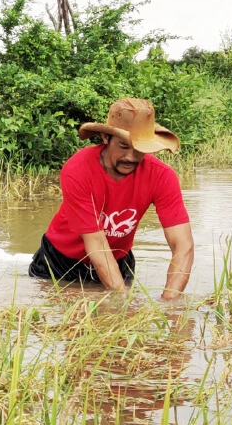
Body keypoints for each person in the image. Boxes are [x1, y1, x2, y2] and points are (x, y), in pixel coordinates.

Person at [28, 98, 195, 300]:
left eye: (140, 149)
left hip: (119, 261)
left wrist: (170, 303)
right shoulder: (78, 169)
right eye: (124, 146)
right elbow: (97, 244)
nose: (131, 157)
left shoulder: (162, 176)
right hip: (59, 264)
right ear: (106, 138)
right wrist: (124, 302)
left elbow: (183, 245)